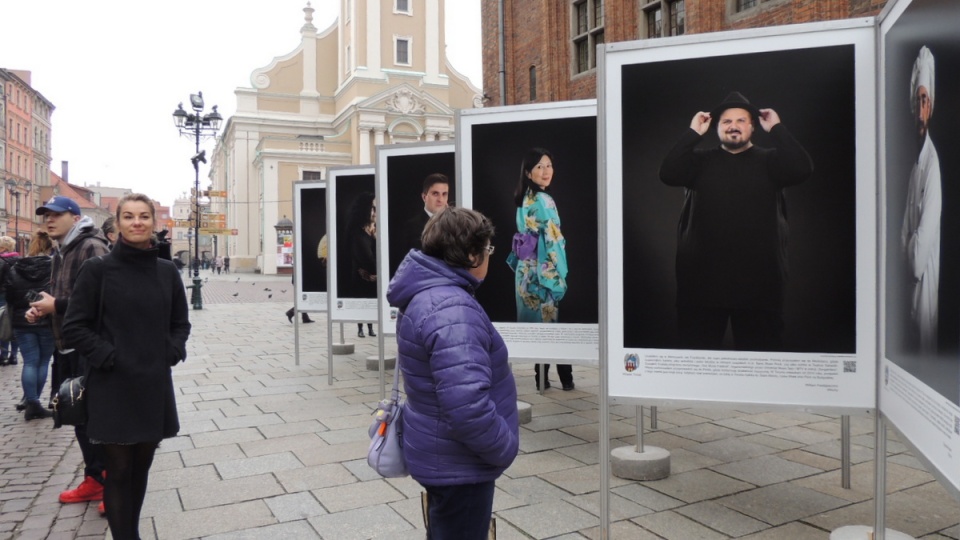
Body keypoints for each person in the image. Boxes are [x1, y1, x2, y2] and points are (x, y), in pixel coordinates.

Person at [62, 193, 190, 540]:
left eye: (144, 216)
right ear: (117, 224)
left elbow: (181, 322)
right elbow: (75, 325)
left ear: (154, 223)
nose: (137, 223)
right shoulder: (98, 270)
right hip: (112, 384)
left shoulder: (166, 271)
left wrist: (172, 351)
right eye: (129, 217)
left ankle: (130, 531)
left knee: (142, 466)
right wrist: (108, 356)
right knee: (118, 469)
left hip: (152, 383)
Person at [387, 207, 519, 540]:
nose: (489, 256)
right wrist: (503, 447)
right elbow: (467, 405)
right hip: (460, 465)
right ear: (473, 255)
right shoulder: (452, 308)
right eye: (488, 250)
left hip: (439, 454)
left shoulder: (427, 296)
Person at [659, 91, 813, 351]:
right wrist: (693, 133)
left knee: (761, 366)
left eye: (741, 120)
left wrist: (776, 127)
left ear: (753, 126)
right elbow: (668, 173)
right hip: (701, 286)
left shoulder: (771, 161)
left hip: (759, 287)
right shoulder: (698, 161)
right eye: (726, 121)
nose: (733, 126)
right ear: (716, 127)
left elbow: (803, 168)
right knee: (696, 364)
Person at [27, 195, 110, 505]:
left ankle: (110, 483)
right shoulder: (61, 249)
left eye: (57, 214)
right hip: (65, 345)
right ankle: (95, 477)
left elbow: (103, 300)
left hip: (85, 347)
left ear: (75, 218)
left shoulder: (91, 247)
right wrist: (42, 309)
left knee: (96, 418)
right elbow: (67, 296)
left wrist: (57, 306)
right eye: (45, 215)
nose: (49, 220)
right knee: (76, 415)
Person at [507, 148, 573, 391]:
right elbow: (554, 240)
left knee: (539, 325)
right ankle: (564, 378)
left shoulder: (525, 198)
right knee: (550, 323)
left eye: (549, 165)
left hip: (526, 271)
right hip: (544, 268)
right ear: (528, 172)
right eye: (540, 167)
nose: (546, 172)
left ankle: (542, 378)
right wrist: (561, 270)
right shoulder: (544, 200)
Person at [901, 46, 940, 355]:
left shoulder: (931, 164)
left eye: (924, 101)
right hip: (907, 286)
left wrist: (908, 248)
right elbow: (904, 229)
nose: (920, 108)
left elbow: (916, 256)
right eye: (917, 100)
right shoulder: (912, 162)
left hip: (923, 281)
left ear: (931, 107)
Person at [6, 231, 54, 420]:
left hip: (22, 320)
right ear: (49, 247)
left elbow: (10, 294)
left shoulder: (17, 266)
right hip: (47, 319)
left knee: (30, 361)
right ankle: (34, 403)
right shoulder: (54, 266)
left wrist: (25, 305)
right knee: (43, 362)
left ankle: (31, 401)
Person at [348, 192, 377, 338]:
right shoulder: (357, 233)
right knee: (362, 303)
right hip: (361, 277)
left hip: (371, 278)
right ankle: (360, 328)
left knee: (371, 304)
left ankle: (370, 328)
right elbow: (367, 257)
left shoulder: (371, 232)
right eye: (372, 208)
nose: (375, 212)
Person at [403, 173, 449, 252]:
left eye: (444, 194)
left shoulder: (453, 224)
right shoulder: (412, 226)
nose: (440, 200)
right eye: (435, 194)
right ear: (424, 197)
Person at [0, 236, 20, 366]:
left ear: (3, 247)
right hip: (16, 295)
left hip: (1, 295)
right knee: (14, 325)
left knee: (2, 325)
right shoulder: (19, 260)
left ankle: (3, 355)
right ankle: (14, 355)